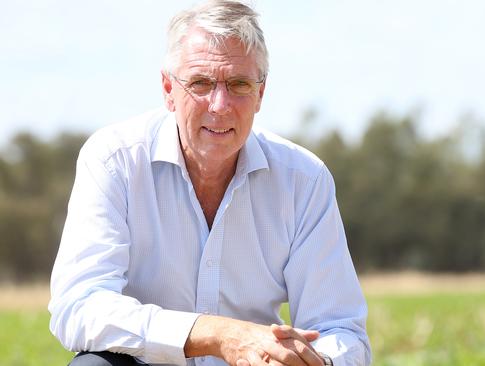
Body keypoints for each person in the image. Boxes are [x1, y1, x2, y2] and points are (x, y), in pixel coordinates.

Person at [48, 1, 371, 365]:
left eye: (239, 84)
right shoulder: (114, 159)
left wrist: (315, 360)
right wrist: (214, 334)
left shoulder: (304, 180)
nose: (219, 105)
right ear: (169, 88)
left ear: (260, 94)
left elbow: (341, 329)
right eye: (200, 83)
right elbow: (79, 304)